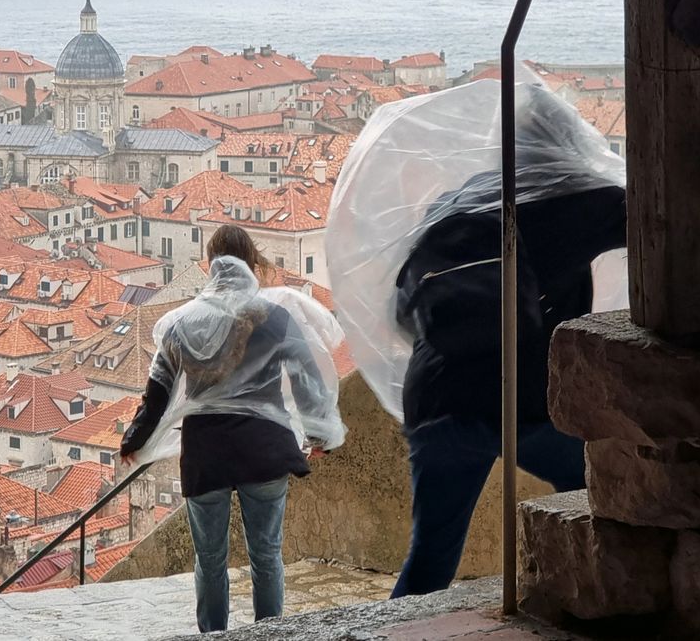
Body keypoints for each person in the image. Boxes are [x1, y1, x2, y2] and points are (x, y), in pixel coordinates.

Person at [388, 89, 628, 598]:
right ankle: (594, 603)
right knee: (598, 494)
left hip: (436, 395)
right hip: (522, 396)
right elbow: (665, 210)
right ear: (569, 143)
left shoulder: (463, 199)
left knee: (430, 557)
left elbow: (406, 307)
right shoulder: (582, 199)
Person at [119, 224, 345, 633]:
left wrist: (134, 440)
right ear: (251, 261)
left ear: (210, 265)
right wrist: (322, 435)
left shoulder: (180, 323)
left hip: (208, 453)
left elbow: (157, 392)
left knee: (209, 560)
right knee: (266, 555)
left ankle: (214, 634)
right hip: (266, 448)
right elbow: (307, 378)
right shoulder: (275, 317)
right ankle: (270, 633)